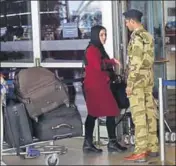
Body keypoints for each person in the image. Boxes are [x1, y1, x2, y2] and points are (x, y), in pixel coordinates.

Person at [82, 25, 127, 153]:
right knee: (108, 111)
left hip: (100, 86)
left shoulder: (98, 48)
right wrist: (112, 61)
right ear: (95, 35)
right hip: (96, 88)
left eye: (105, 34)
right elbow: (98, 65)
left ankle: (89, 143)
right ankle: (110, 143)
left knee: (96, 114)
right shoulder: (92, 49)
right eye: (101, 35)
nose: (104, 37)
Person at [123, 9, 159, 162]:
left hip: (137, 79)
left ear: (132, 21)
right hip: (148, 77)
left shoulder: (136, 37)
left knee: (139, 115)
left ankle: (140, 151)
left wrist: (130, 83)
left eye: (126, 21)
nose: (125, 24)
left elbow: (135, 63)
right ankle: (153, 147)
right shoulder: (148, 35)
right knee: (150, 112)